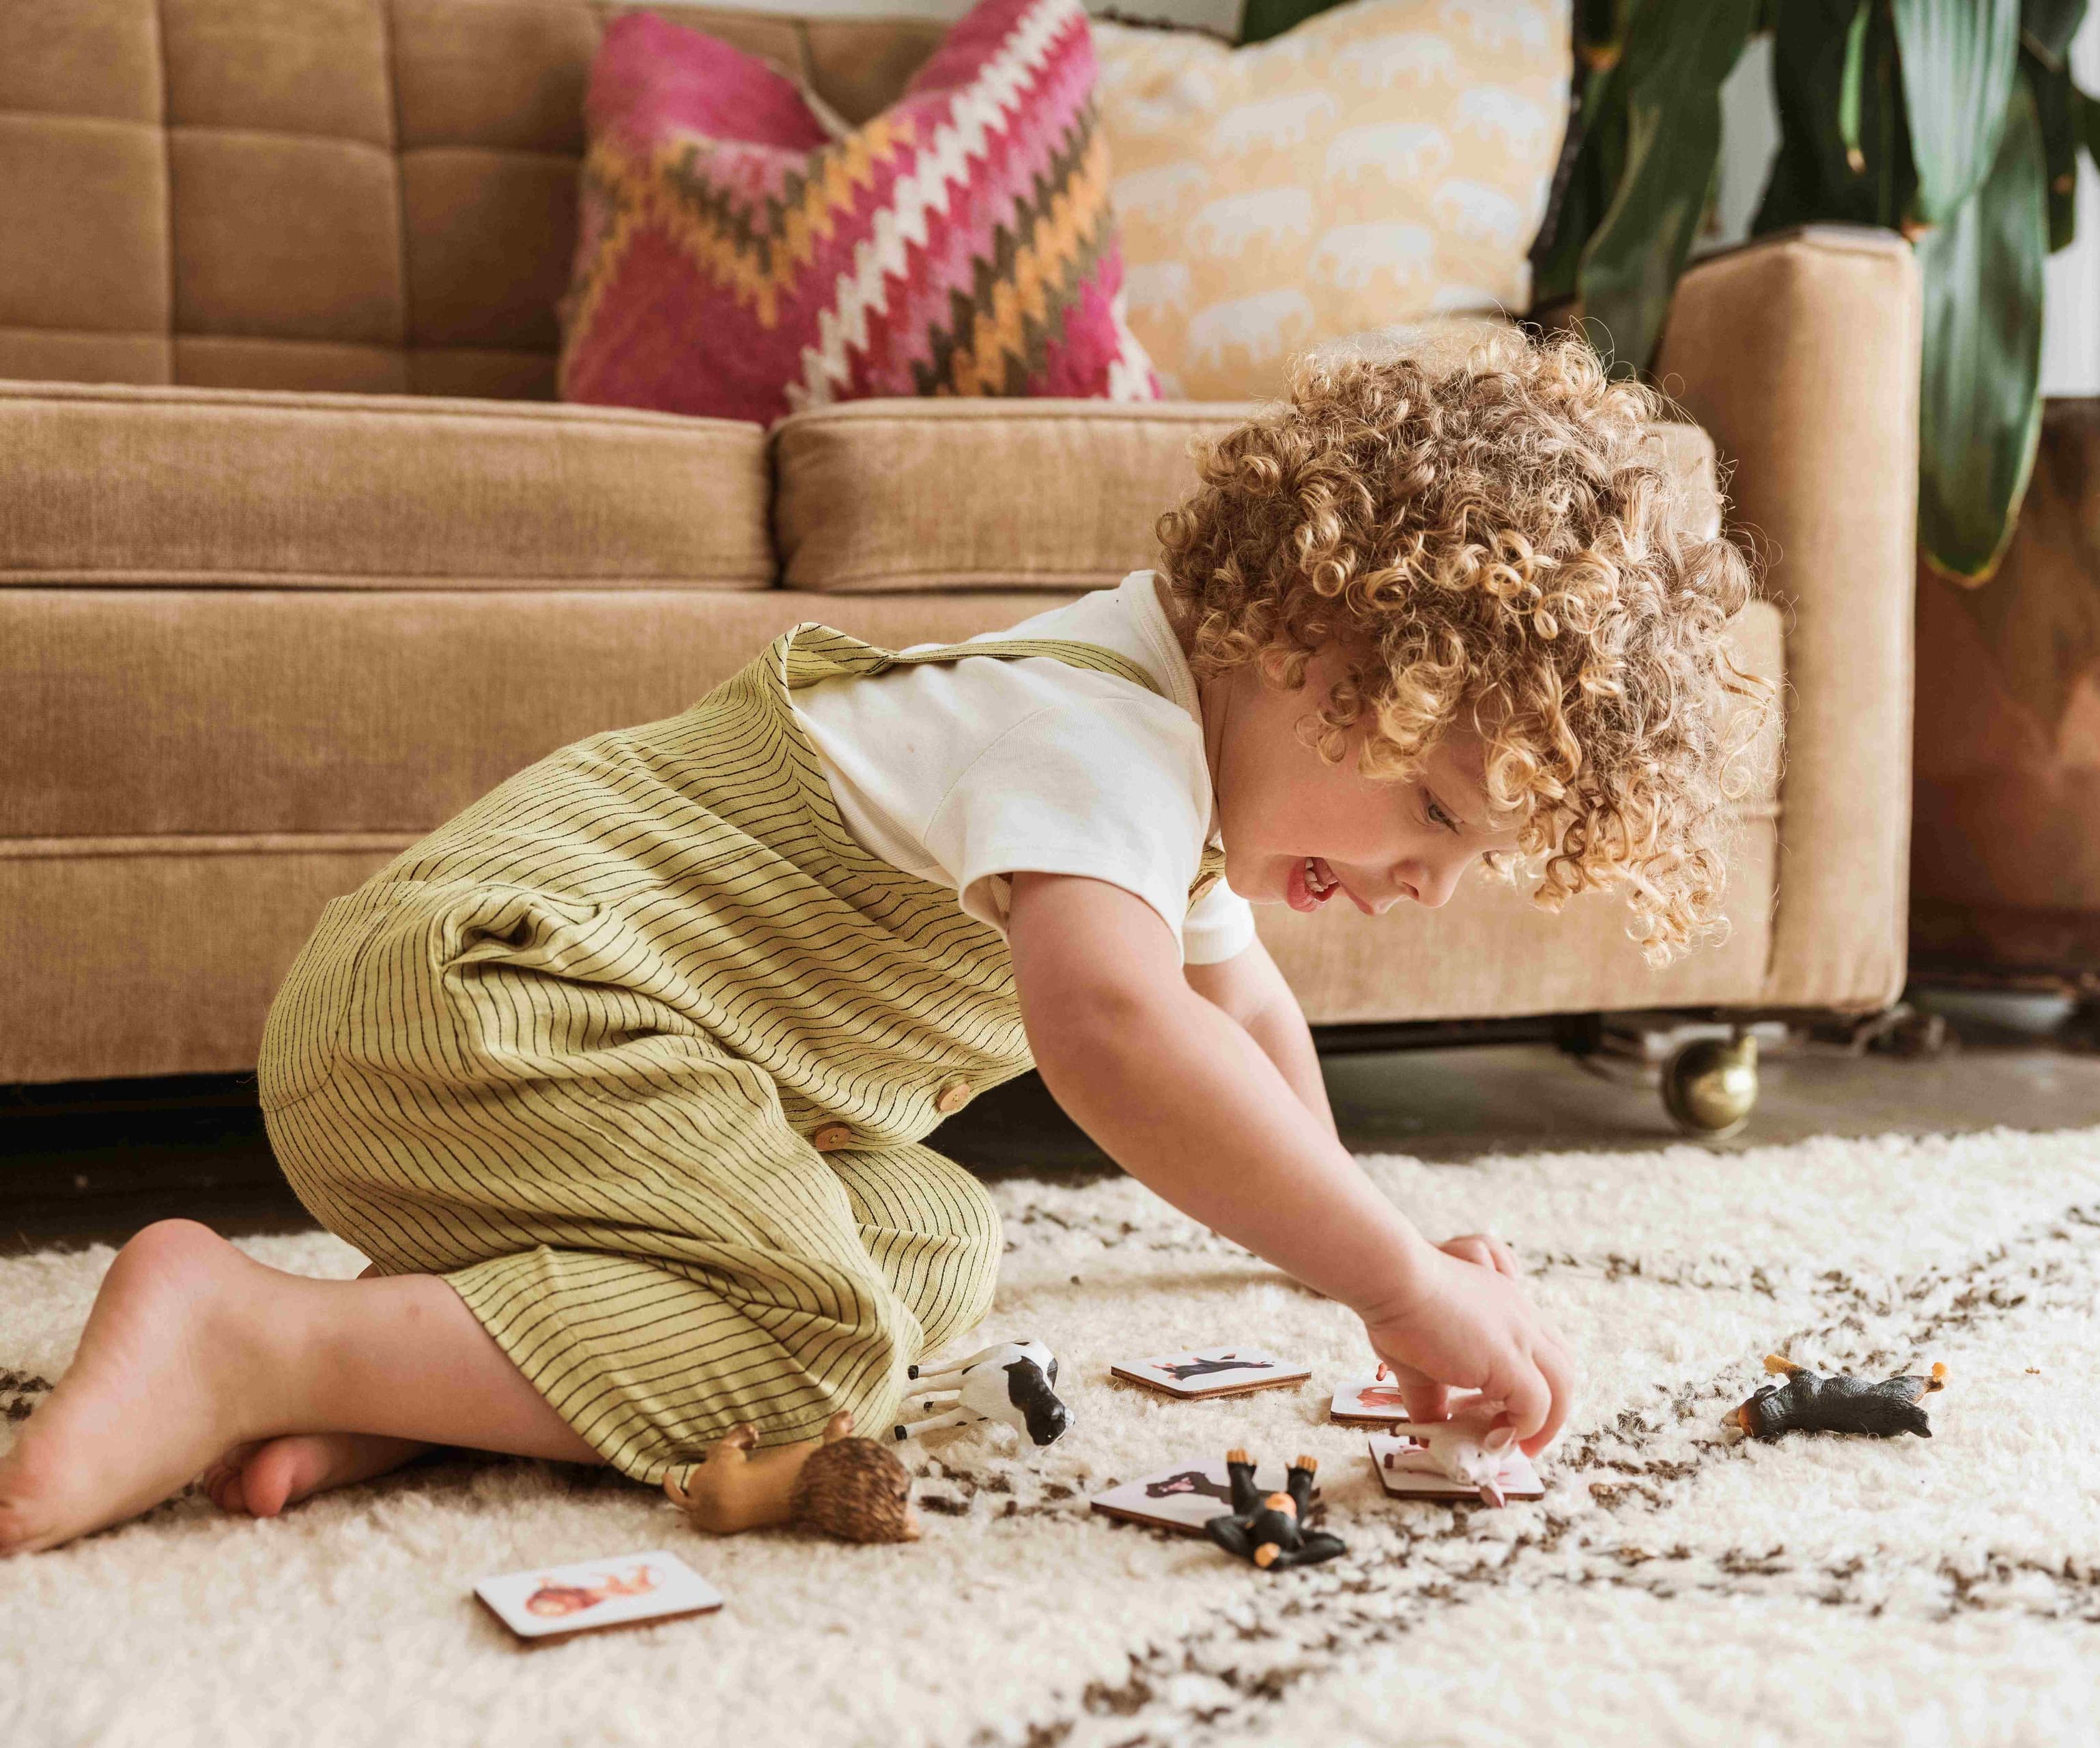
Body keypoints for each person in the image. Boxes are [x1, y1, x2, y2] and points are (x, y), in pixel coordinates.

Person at [0, 329, 1759, 1554]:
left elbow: (1242, 1026)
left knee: (928, 1240)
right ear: (1320, 637)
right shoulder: (1092, 736)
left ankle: (433, 1362)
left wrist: (1350, 1237)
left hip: (562, 1071)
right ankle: (247, 1336)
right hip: (489, 1006)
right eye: (1439, 816)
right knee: (816, 1345)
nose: (1429, 887)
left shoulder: (1188, 766)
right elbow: (1126, 1040)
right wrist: (1400, 1280)